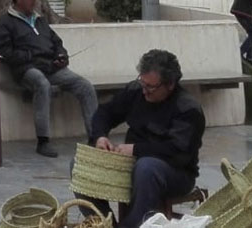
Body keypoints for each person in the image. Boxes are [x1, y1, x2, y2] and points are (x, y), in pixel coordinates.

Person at [79, 50, 205, 228]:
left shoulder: (187, 109)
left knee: (146, 167)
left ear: (170, 85)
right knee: (81, 166)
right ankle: (104, 223)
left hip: (176, 173)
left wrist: (135, 149)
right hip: (133, 164)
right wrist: (100, 137)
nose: (145, 91)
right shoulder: (136, 90)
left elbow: (177, 152)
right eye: (142, 83)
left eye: (151, 87)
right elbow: (105, 112)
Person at [0, 0, 97, 158]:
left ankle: (95, 137)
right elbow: (5, 53)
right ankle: (43, 140)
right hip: (26, 69)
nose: (34, 1)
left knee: (84, 86)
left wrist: (61, 55)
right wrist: (29, 56)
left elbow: (56, 42)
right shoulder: (5, 23)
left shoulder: (40, 20)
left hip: (51, 67)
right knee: (42, 85)